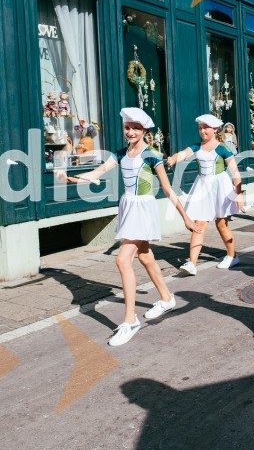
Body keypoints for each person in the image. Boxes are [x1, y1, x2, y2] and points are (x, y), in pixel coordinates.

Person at [59, 108, 201, 346]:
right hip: (128, 207)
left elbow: (167, 189)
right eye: (127, 127)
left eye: (136, 128)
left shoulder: (151, 155)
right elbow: (99, 171)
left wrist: (185, 218)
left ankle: (130, 319)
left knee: (123, 260)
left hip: (142, 210)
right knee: (145, 256)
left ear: (145, 130)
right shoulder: (120, 154)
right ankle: (166, 298)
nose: (131, 132)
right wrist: (77, 178)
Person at [167, 114, 245, 275]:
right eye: (200, 128)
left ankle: (232, 256)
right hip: (202, 187)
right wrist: (174, 158)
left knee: (221, 224)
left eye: (205, 128)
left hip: (220, 187)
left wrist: (238, 194)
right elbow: (183, 153)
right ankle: (192, 264)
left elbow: (235, 172)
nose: (202, 131)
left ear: (215, 129)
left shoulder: (223, 148)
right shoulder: (197, 147)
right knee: (199, 224)